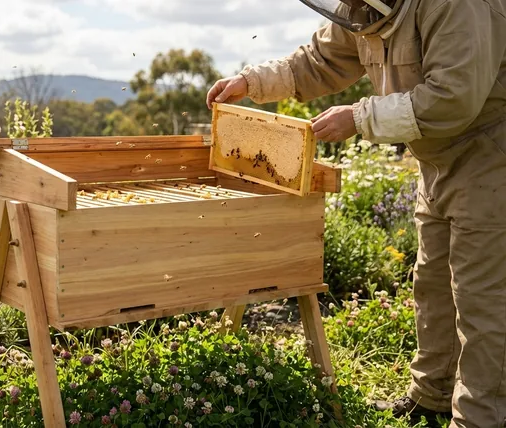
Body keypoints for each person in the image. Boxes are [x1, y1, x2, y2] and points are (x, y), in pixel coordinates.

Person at [206, 0, 506, 426]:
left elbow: (455, 97)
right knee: (433, 283)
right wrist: (251, 82)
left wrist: (359, 117)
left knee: (484, 300)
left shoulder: (458, 5)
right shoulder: (365, 9)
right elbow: (319, 60)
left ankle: (482, 417)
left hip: (491, 156)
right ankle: (433, 395)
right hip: (437, 160)